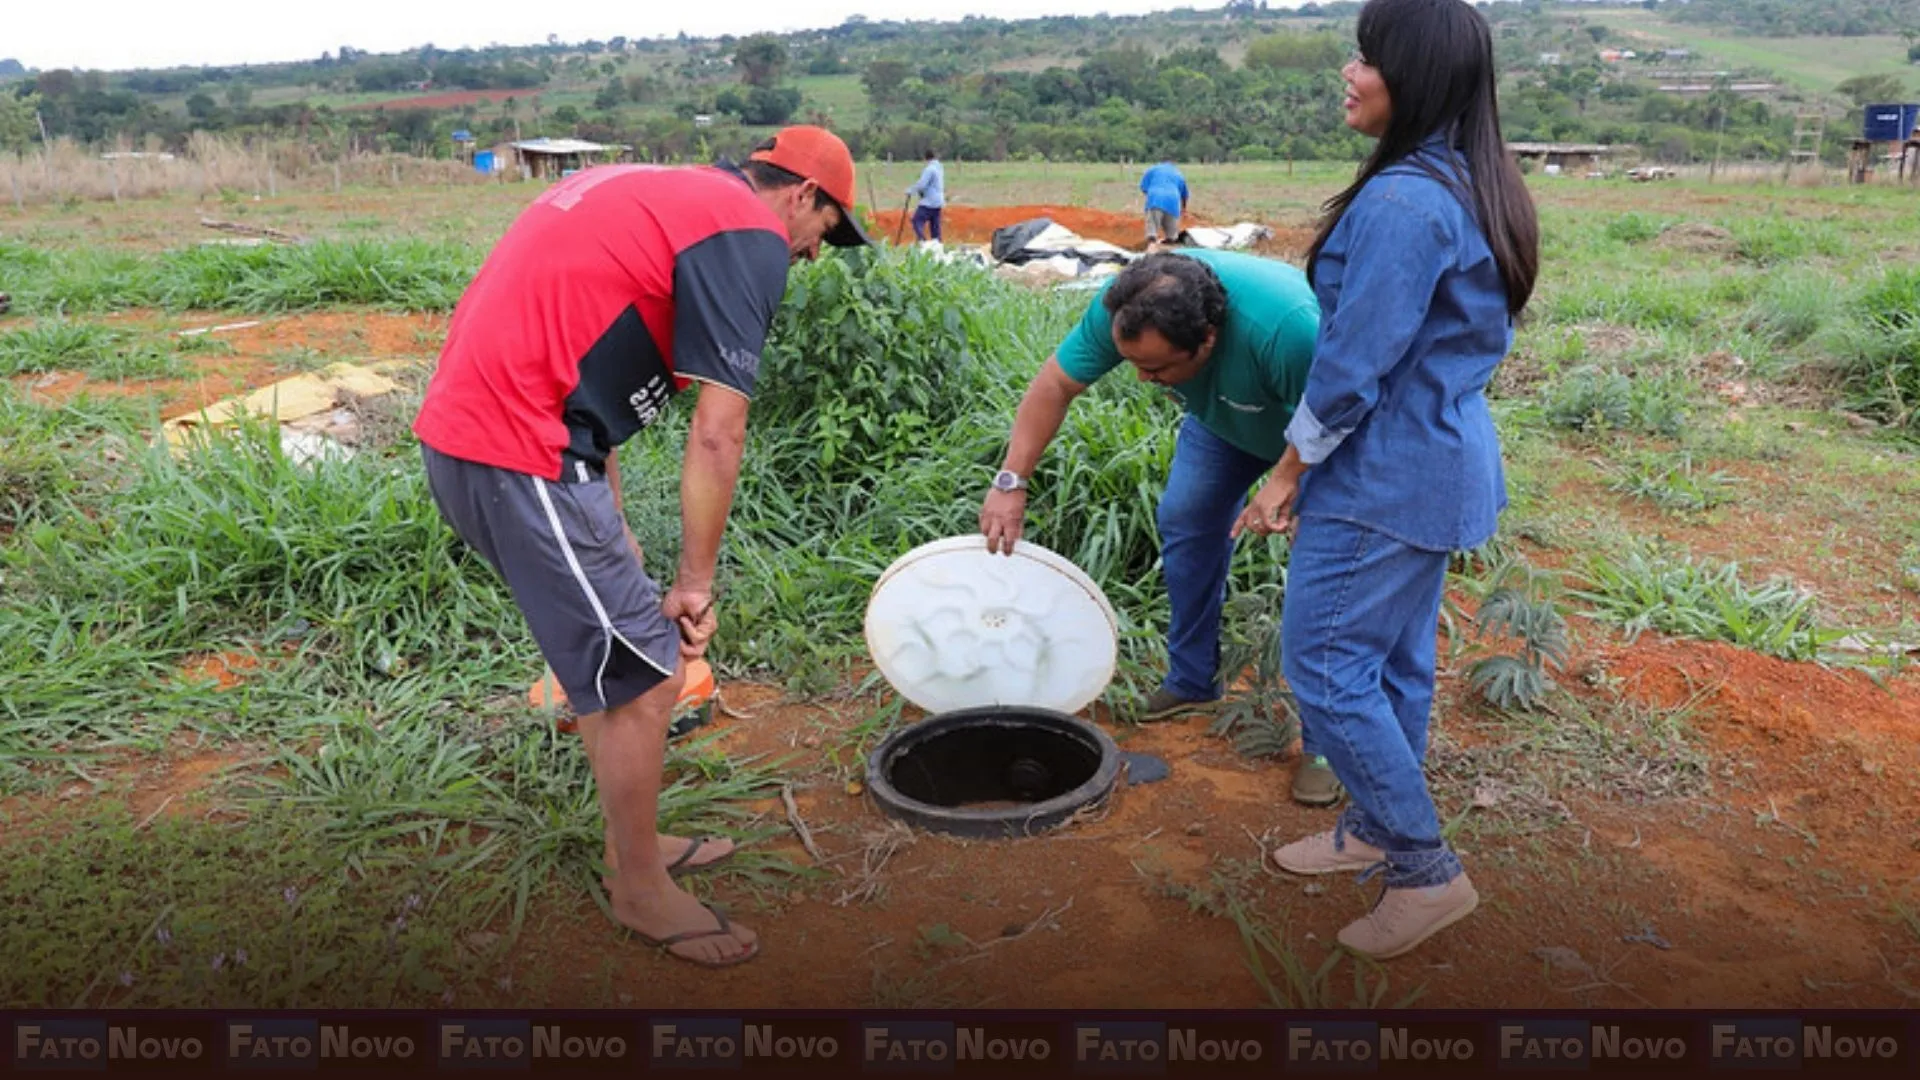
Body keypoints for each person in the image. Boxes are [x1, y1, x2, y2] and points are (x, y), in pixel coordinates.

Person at [411, 125, 869, 969]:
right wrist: (696, 582)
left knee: (614, 666)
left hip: (508, 443)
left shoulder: (667, 197)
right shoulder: (747, 231)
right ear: (802, 194)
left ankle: (639, 848)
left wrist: (614, 528)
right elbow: (718, 436)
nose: (812, 255)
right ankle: (640, 890)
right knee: (652, 674)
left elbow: (593, 371)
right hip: (518, 452)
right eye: (826, 232)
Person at [1233, 0, 1539, 959]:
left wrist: (1284, 473)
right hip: (1436, 466)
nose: (1349, 72)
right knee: (1396, 661)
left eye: (1367, 57)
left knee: (1325, 668)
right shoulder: (1460, 181)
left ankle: (1424, 870)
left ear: (1416, 77)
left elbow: (1353, 365)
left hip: (1384, 479)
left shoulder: (1406, 202)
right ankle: (1372, 825)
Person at [978, 249, 1340, 807]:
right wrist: (1010, 482)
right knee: (1186, 518)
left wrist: (1288, 480)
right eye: (1133, 365)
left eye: (1159, 369)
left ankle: (1327, 744)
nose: (1145, 382)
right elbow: (1054, 384)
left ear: (1209, 340)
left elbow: (1336, 412)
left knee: (1323, 563)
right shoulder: (1126, 308)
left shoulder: (1289, 328)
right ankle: (1193, 681)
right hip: (1226, 422)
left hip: (1322, 435)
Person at [1139, 160, 1188, 248]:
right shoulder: (1178, 173)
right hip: (1173, 202)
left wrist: (1152, 198)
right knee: (1171, 236)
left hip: (1155, 200)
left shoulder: (1152, 169)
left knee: (1152, 232)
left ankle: (1151, 250)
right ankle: (1170, 251)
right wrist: (1184, 209)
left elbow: (1144, 188)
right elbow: (1184, 195)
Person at [907, 148, 945, 243]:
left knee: (916, 221)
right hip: (938, 201)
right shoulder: (939, 168)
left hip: (929, 202)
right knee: (935, 227)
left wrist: (911, 191)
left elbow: (922, 184)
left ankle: (923, 242)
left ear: (926, 158)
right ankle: (937, 246)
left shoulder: (929, 169)